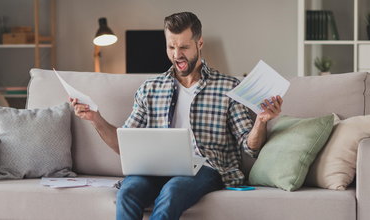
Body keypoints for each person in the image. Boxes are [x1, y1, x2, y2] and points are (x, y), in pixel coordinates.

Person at [71, 11, 283, 220]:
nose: (176, 54)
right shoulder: (150, 89)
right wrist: (95, 118)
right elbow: (124, 144)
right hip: (155, 168)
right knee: (127, 192)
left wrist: (260, 121)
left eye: (183, 47)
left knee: (172, 191)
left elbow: (250, 147)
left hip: (205, 168)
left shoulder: (228, 88)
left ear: (199, 44)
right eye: (171, 47)